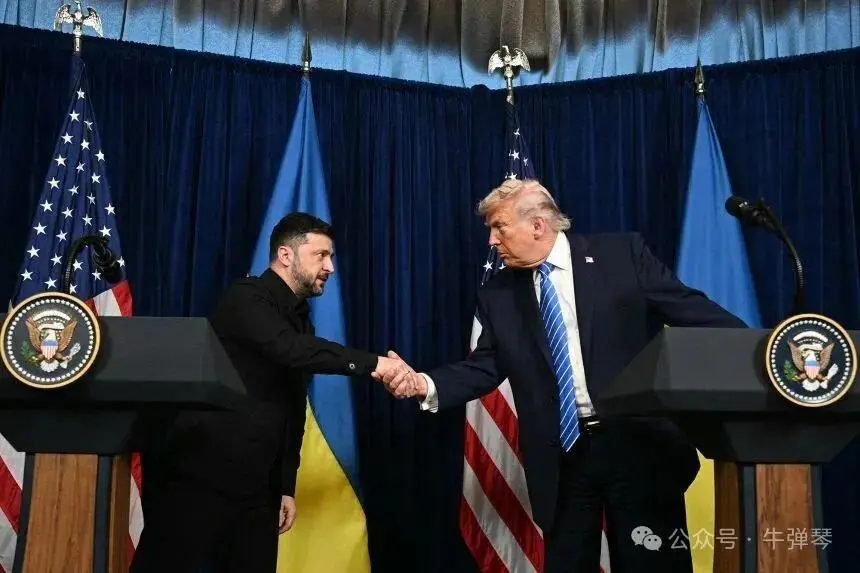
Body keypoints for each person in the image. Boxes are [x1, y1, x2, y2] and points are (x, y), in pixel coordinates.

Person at [377, 179, 747, 572]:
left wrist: (761, 353)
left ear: (538, 225)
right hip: (563, 457)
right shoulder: (499, 294)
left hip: (639, 445)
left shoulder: (621, 256)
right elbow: (485, 366)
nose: (491, 241)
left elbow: (691, 311)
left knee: (652, 563)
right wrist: (424, 384)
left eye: (499, 227)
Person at [131, 212, 405, 573]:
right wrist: (374, 364)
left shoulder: (301, 319)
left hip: (259, 490)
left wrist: (285, 486)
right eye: (321, 255)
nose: (330, 267)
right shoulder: (245, 298)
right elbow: (288, 349)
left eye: (331, 256)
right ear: (285, 255)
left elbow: (292, 409)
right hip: (200, 478)